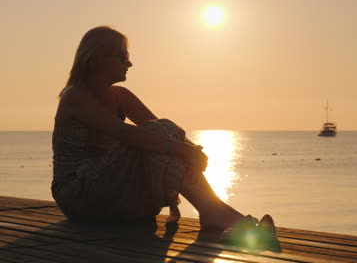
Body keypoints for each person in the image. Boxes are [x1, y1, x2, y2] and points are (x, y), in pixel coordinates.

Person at [52, 26, 276, 235]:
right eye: (123, 57)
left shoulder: (120, 96)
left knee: (161, 131)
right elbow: (126, 133)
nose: (129, 64)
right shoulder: (75, 96)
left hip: (115, 190)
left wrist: (190, 150)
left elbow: (164, 131)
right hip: (78, 194)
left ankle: (218, 212)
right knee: (152, 137)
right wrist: (185, 151)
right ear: (96, 59)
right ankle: (217, 214)